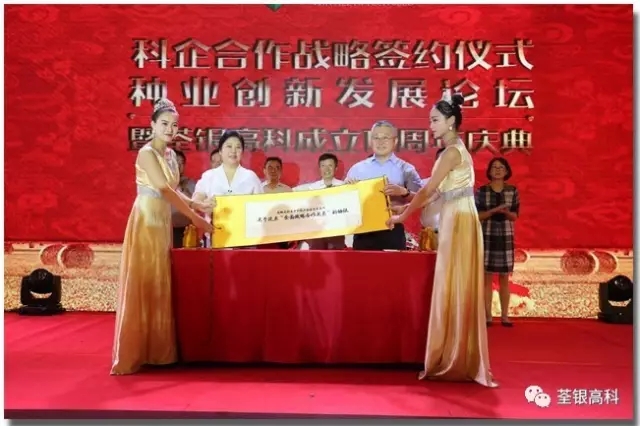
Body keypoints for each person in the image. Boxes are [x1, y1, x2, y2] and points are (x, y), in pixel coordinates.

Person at [386, 91, 498, 388]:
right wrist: (403, 206)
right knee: (452, 283)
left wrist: (402, 216)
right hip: (455, 215)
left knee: (455, 283)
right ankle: (454, 354)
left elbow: (428, 191)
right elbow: (434, 193)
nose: (431, 125)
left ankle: (455, 357)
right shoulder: (453, 150)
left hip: (459, 218)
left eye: (435, 120)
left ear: (450, 121)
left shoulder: (451, 152)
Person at [111, 98, 213, 375]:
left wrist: (196, 204)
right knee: (145, 278)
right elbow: (163, 189)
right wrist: (194, 217)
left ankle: (158, 350)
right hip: (147, 217)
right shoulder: (146, 153)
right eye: (164, 124)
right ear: (152, 125)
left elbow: (174, 190)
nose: (170, 129)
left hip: (163, 218)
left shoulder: (169, 154)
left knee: (160, 278)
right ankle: (137, 350)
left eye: (174, 125)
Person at [345, 120, 423, 250]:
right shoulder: (357, 169)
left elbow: (422, 199)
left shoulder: (406, 169)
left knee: (393, 264)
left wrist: (404, 192)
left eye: (385, 138)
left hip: (392, 230)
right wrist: (348, 189)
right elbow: (345, 202)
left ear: (395, 141)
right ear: (371, 140)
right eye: (376, 138)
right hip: (363, 231)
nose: (380, 142)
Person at [192, 130, 263, 247]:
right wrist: (205, 204)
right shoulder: (209, 176)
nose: (233, 151)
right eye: (229, 146)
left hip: (245, 241)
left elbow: (261, 208)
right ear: (220, 151)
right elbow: (195, 201)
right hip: (216, 239)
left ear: (242, 152)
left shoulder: (251, 177)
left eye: (238, 147)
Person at [476, 157, 520, 327]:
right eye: (494, 167)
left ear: (507, 171)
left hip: (505, 236)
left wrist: (506, 212)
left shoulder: (512, 191)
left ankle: (505, 316)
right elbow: (478, 216)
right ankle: (488, 316)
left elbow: (515, 216)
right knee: (486, 276)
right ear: (489, 171)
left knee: (504, 277)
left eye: (501, 167)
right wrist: (495, 210)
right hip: (487, 235)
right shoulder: (482, 191)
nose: (498, 170)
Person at [294, 153, 347, 250]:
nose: (327, 169)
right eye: (323, 166)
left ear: (336, 168)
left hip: (337, 231)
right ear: (319, 168)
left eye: (330, 166)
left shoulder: (344, 186)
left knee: (336, 257)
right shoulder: (312, 188)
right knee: (317, 257)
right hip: (317, 232)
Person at [171, 149, 196, 248]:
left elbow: (195, 202)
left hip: (186, 229)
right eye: (175, 162)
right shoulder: (162, 183)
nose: (178, 165)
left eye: (181, 163)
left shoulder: (190, 183)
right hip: (165, 229)